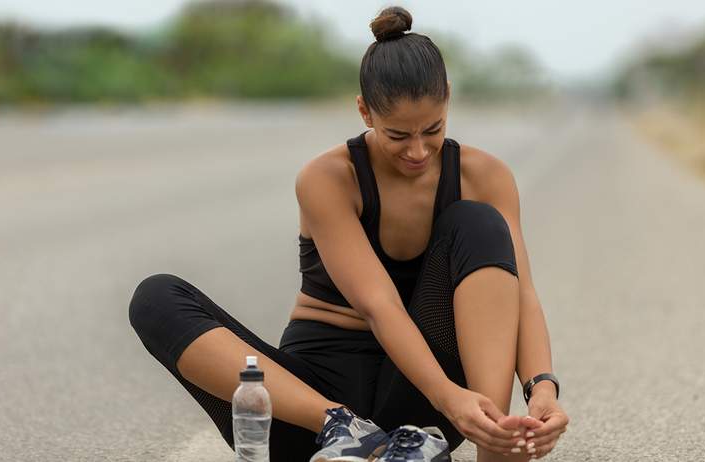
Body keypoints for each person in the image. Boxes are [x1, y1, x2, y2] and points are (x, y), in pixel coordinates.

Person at [128, 5, 569, 462]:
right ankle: (348, 430)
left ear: (448, 100)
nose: (417, 151)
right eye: (397, 135)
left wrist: (542, 388)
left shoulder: (485, 176)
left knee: (478, 222)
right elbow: (378, 306)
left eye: (433, 129)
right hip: (314, 414)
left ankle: (497, 443)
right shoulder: (328, 178)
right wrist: (447, 397)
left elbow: (523, 297)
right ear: (364, 111)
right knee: (155, 297)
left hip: (424, 418)